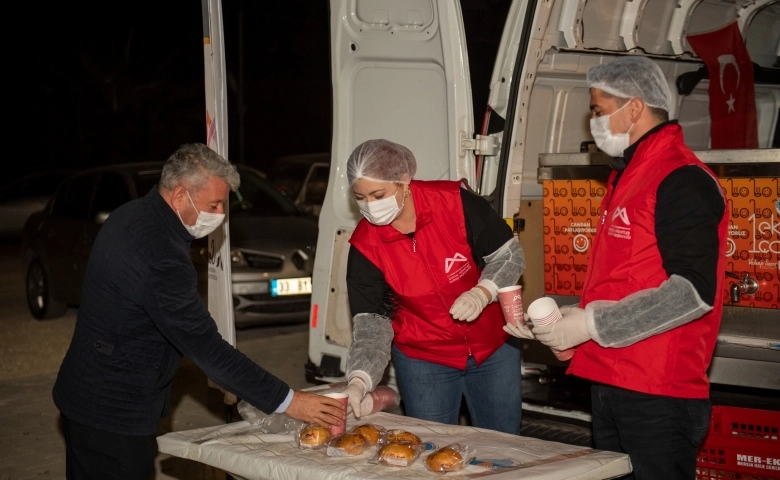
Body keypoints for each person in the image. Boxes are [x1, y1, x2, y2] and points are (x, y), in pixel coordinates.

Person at [52, 143, 345, 480]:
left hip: (84, 396)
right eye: (214, 204)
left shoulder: (131, 214)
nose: (220, 215)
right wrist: (291, 401)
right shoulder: (161, 254)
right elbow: (205, 346)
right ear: (179, 197)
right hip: (112, 412)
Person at [506, 56, 727, 479]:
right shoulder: (628, 176)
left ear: (635, 107)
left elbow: (692, 293)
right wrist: (570, 324)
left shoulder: (681, 179)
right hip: (612, 379)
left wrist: (590, 324)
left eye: (598, 109)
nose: (593, 121)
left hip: (657, 392)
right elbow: (626, 280)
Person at [340, 139, 526, 435]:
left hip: (492, 348)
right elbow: (372, 325)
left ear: (403, 180)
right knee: (432, 448)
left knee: (505, 445)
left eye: (378, 195)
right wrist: (359, 381)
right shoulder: (365, 246)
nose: (370, 207)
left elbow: (510, 255)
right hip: (424, 359)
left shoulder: (455, 203)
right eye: (360, 198)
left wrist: (484, 291)